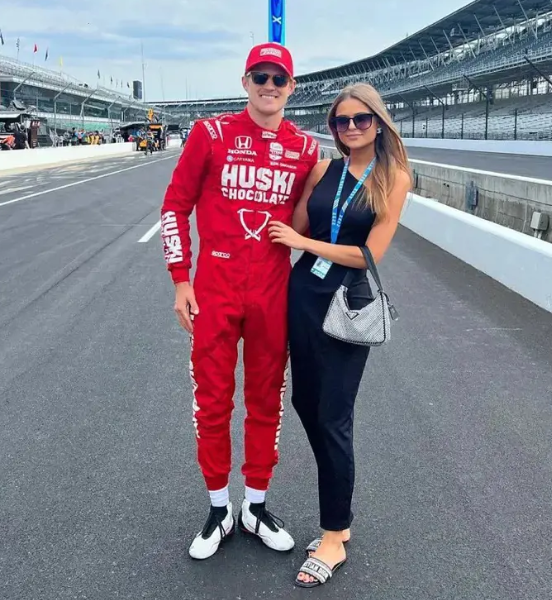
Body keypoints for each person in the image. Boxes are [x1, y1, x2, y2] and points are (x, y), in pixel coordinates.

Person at [160, 42, 319, 560]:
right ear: (245, 81)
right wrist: (181, 279)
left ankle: (254, 504)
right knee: (212, 401)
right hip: (215, 289)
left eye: (279, 79)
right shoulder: (211, 134)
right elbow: (174, 206)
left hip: (275, 291)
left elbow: (320, 215)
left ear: (291, 87)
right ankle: (217, 508)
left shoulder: (306, 149)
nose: (269, 86)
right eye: (260, 76)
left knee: (265, 401)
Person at [268, 82, 412, 587]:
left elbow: (369, 254)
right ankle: (339, 515)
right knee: (307, 404)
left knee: (333, 415)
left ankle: (334, 534)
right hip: (303, 294)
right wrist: (301, 192)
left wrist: (303, 241)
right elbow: (298, 218)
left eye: (360, 119)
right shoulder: (325, 168)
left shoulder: (394, 176)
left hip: (348, 300)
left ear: (378, 121)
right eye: (341, 121)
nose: (350, 128)